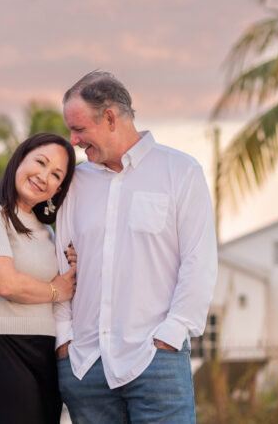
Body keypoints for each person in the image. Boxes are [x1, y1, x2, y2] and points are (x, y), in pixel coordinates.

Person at [54, 71, 217, 423]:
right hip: (86, 365)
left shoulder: (181, 172)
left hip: (155, 359)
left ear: (111, 117)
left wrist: (171, 335)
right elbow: (59, 261)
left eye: (79, 128)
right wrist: (64, 342)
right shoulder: (76, 183)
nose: (73, 139)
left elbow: (198, 261)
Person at [0, 132, 79, 424]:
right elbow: (5, 283)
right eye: (40, 162)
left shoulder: (46, 232)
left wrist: (74, 265)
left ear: (57, 190)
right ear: (20, 158)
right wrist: (55, 290)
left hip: (45, 352)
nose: (44, 176)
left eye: (56, 174)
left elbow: (68, 286)